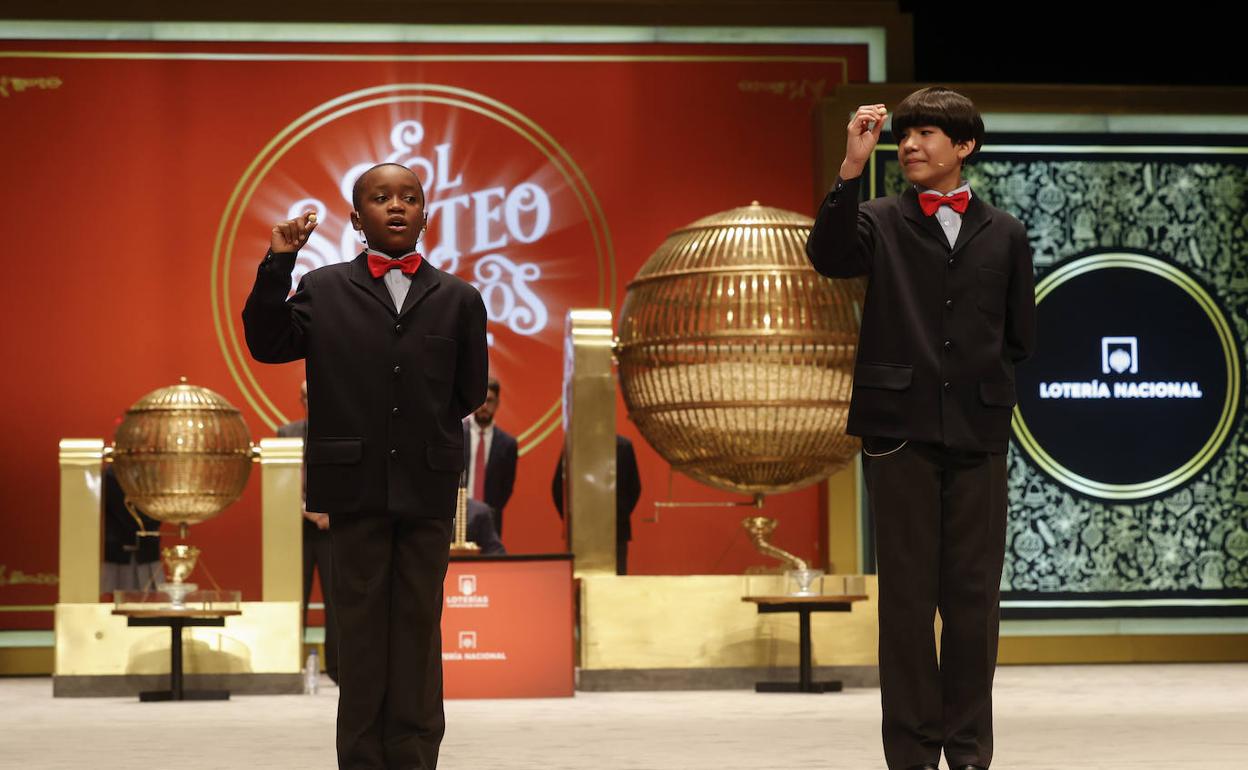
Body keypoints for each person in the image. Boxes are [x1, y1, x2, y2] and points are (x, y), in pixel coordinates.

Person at [804, 87, 1035, 770]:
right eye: (903, 136)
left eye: (926, 134)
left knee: (973, 602)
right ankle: (910, 753)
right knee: (906, 601)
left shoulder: (1007, 232)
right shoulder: (876, 218)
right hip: (896, 429)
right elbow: (828, 255)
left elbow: (1021, 334)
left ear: (963, 147)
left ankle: (967, 751)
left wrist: (977, 384)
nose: (909, 146)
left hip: (978, 431)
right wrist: (849, 169)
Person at [243, 162, 488, 770]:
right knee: (359, 639)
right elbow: (267, 342)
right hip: (352, 493)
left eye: (410, 198)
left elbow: (468, 392)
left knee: (417, 635)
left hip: (426, 494)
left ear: (426, 215)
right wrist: (279, 262)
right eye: (381, 198)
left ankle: (413, 759)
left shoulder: (460, 298)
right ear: (356, 219)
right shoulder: (323, 288)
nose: (396, 207)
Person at [276, 380, 339, 684]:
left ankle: (337, 668)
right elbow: (278, 484)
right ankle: (290, 663)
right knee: (294, 597)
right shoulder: (286, 434)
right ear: (301, 400)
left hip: (333, 527)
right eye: (305, 396)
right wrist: (307, 510)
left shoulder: (341, 430)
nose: (310, 400)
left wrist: (330, 512)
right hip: (295, 529)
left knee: (336, 598)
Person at [551, 435, 642, 575]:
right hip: (615, 528)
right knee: (616, 582)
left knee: (581, 579)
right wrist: (620, 513)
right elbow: (634, 488)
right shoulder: (624, 446)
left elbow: (558, 488)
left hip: (582, 527)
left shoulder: (575, 444)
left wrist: (572, 520)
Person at [462, 377, 516, 538]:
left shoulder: (508, 444)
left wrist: (489, 511)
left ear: (497, 403)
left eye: (490, 401)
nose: (484, 406)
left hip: (490, 522)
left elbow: (506, 488)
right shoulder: (456, 434)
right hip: (456, 519)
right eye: (481, 401)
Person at [101, 464, 162, 594]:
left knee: (151, 602)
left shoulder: (152, 474)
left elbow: (161, 506)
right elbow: (123, 512)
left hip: (148, 550)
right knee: (119, 603)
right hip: (120, 550)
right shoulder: (112, 475)